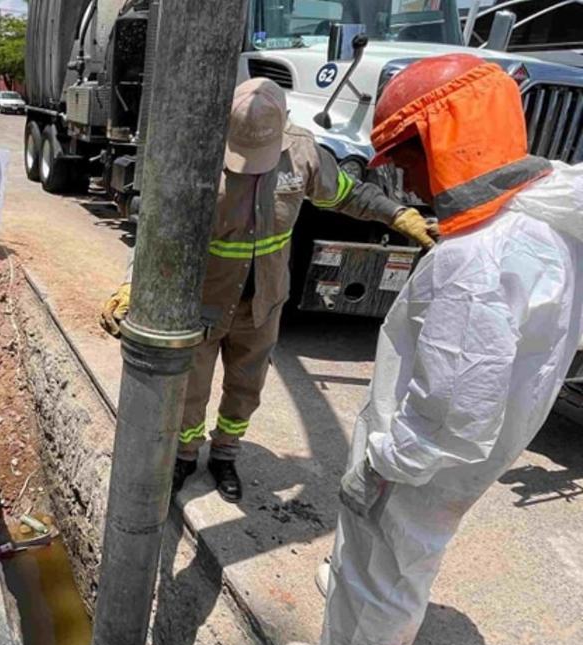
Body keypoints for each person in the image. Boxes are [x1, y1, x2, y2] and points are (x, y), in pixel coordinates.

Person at [282, 55, 583, 645]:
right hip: (480, 433)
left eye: (406, 155)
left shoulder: (477, 260)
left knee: (393, 543)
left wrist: (392, 459)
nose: (401, 176)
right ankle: (351, 590)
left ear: (444, 138)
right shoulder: (542, 212)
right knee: (383, 537)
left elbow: (458, 403)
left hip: (430, 448)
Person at [100, 78, 436, 502]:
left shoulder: (303, 154)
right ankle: (185, 453)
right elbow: (160, 232)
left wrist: (398, 214)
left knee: (246, 387)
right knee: (190, 388)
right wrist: (135, 283)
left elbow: (349, 196)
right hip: (202, 302)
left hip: (263, 303)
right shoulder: (198, 157)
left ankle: (225, 453)